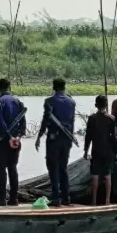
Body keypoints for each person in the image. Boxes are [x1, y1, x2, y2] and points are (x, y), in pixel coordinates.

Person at [35, 78, 76, 207]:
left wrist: (39, 136)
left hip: (54, 140)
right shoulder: (71, 102)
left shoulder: (49, 101)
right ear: (64, 87)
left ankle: (56, 198)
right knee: (63, 168)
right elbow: (72, 121)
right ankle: (66, 198)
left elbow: (45, 120)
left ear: (53, 87)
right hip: (67, 139)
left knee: (53, 168)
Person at [0, 78, 26, 206]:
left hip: (2, 141)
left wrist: (9, 137)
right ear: (9, 87)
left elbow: (1, 123)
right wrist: (17, 137)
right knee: (12, 168)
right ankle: (13, 199)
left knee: (1, 168)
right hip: (15, 141)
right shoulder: (18, 102)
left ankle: (1, 199)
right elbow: (23, 122)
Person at [83, 95, 116, 206]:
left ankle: (94, 201)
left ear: (96, 105)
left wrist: (85, 150)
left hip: (96, 150)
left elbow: (88, 136)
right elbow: (114, 138)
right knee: (108, 175)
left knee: (95, 175)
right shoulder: (111, 119)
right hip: (108, 151)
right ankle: (107, 201)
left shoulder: (92, 119)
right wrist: (115, 152)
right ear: (106, 105)